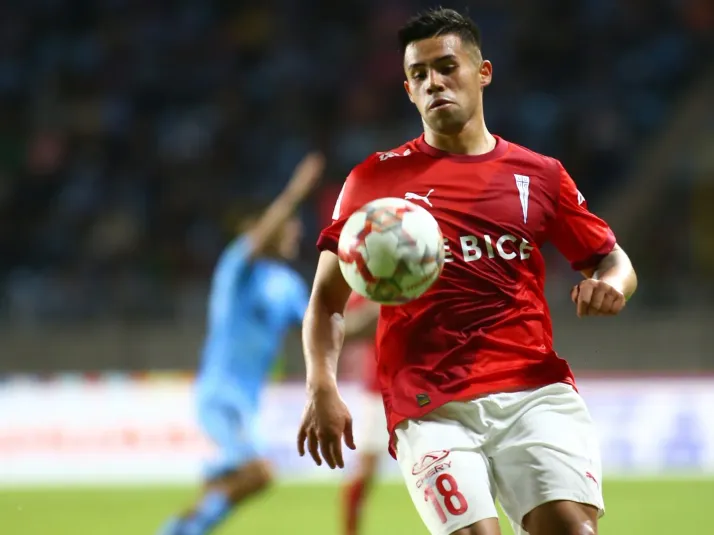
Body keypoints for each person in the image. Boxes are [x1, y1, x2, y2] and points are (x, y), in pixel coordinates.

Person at [297, 8, 637, 535]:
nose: (433, 82)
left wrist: (610, 287)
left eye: (446, 66)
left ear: (483, 73)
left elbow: (613, 260)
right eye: (418, 74)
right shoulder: (373, 182)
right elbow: (326, 301)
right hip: (429, 404)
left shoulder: (539, 175)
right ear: (409, 91)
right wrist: (321, 385)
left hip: (532, 392)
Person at [158, 152, 324, 535]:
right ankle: (185, 517)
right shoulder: (237, 267)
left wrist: (385, 313)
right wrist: (295, 192)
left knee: (243, 482)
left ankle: (184, 524)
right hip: (220, 395)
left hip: (247, 405)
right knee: (259, 472)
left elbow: (320, 328)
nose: (296, 230)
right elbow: (258, 239)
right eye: (289, 223)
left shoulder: (287, 285)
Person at [340, 293, 385, 535]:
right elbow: (344, 326)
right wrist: (380, 307)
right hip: (379, 392)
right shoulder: (367, 287)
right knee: (365, 472)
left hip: (425, 389)